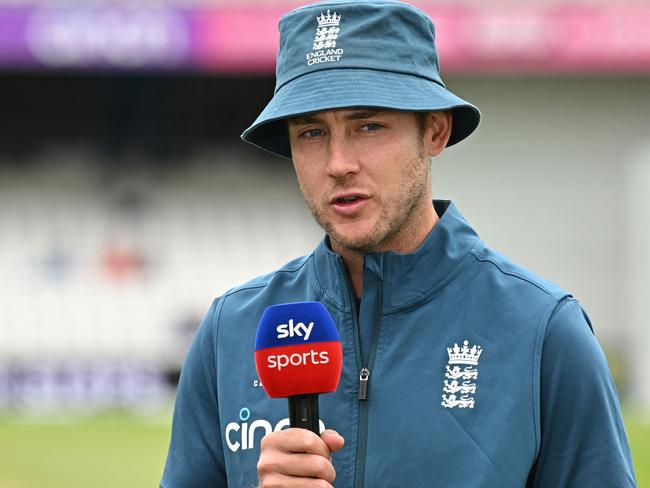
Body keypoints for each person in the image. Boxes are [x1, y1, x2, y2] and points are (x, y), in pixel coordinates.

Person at [160, 1, 637, 487]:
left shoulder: (543, 331)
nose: (338, 162)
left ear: (434, 130)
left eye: (368, 126)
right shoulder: (231, 331)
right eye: (311, 132)